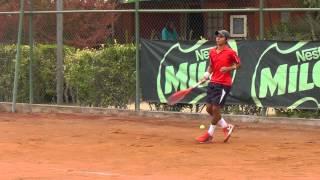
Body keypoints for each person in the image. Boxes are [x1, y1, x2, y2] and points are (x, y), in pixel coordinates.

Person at [196, 29, 241, 143]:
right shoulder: (212, 51)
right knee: (209, 109)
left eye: (220, 37)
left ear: (226, 39)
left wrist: (228, 68)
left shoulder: (230, 52)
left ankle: (209, 134)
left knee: (216, 109)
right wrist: (206, 75)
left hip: (224, 85)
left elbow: (239, 64)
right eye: (217, 36)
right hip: (213, 83)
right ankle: (226, 126)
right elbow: (211, 66)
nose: (217, 38)